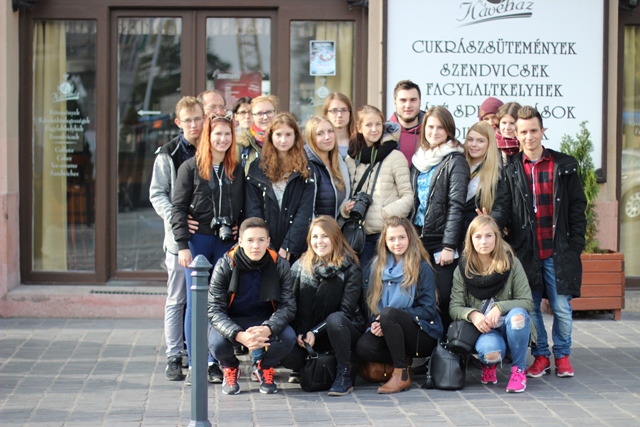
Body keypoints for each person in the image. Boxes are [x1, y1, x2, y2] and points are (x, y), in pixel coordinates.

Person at [504, 105, 587, 378]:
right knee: (532, 308)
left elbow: (577, 207)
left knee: (561, 307)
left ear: (543, 131)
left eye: (534, 130)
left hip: (557, 250)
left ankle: (562, 356)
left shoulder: (563, 165)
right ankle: (541, 356)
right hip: (526, 252)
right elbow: (504, 206)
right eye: (523, 132)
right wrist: (491, 221)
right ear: (517, 135)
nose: (529, 137)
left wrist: (575, 245)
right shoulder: (511, 169)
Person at [171, 114, 244, 385]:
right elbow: (178, 208)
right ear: (208, 136)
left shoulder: (236, 170)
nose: (222, 139)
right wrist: (182, 245)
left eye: (227, 134)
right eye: (217, 134)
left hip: (225, 243)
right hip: (198, 241)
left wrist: (240, 227)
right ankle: (196, 363)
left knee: (219, 303)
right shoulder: (190, 167)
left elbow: (245, 206)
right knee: (196, 304)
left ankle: (215, 361)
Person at [207, 217, 297, 395]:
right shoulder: (225, 264)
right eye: (250, 240)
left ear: (268, 241)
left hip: (265, 320)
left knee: (288, 337)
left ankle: (265, 366)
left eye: (261, 240)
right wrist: (238, 335)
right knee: (216, 344)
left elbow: (288, 306)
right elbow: (214, 309)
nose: (256, 246)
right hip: (233, 319)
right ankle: (230, 367)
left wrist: (268, 328)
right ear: (240, 242)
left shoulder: (280, 265)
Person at [149, 96, 203, 382]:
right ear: (178, 122)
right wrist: (177, 218)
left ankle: (205, 356)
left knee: (207, 299)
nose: (194, 125)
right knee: (177, 298)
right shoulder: (167, 154)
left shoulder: (213, 147)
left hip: (206, 237)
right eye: (188, 120)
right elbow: (157, 193)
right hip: (178, 241)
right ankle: (174, 355)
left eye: (198, 119)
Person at [356, 217, 442, 394]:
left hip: (420, 331)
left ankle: (401, 374)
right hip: (389, 328)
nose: (397, 243)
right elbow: (370, 304)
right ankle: (403, 360)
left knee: (389, 314)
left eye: (402, 237)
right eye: (392, 239)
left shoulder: (421, 267)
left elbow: (428, 309)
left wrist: (391, 318)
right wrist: (376, 322)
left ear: (410, 238)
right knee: (364, 347)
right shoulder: (375, 268)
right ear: (385, 242)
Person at [281, 216, 364, 396]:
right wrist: (300, 333)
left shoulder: (351, 268)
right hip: (309, 335)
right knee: (286, 352)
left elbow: (346, 312)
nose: (319, 241)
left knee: (336, 320)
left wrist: (315, 332)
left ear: (335, 238)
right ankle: (307, 367)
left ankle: (343, 374)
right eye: (315, 237)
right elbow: (290, 304)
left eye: (325, 236)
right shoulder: (300, 265)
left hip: (340, 331)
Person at [450, 215, 533, 393]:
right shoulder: (463, 268)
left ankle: (518, 370)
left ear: (496, 237)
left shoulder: (511, 263)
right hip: (486, 329)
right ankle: (489, 364)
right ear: (470, 240)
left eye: (489, 236)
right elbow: (454, 307)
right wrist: (473, 315)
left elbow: (527, 302)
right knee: (490, 353)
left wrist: (500, 307)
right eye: (478, 236)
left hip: (509, 324)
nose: (484, 241)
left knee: (518, 317)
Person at [411, 106, 470, 330]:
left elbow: (456, 206)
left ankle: (448, 343)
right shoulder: (419, 160)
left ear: (449, 131)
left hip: (441, 241)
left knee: (444, 296)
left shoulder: (456, 160)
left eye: (440, 128)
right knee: (421, 295)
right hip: (418, 238)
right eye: (430, 127)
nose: (434, 132)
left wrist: (448, 245)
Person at [340, 105, 413, 269]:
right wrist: (345, 209)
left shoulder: (395, 156)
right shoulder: (351, 159)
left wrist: (385, 214)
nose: (374, 129)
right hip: (358, 236)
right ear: (359, 128)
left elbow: (408, 197)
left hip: (387, 236)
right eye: (368, 125)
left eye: (378, 124)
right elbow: (346, 195)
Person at [245, 112, 314, 264]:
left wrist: (289, 245)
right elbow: (253, 210)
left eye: (288, 134)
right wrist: (265, 244)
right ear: (271, 136)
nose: (283, 140)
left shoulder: (306, 168)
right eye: (278, 134)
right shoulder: (257, 167)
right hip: (262, 246)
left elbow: (304, 212)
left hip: (294, 247)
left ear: (296, 136)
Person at [463, 121, 510, 235]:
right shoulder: (456, 164)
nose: (474, 144)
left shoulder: (499, 173)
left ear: (490, 144)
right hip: (454, 234)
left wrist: (490, 222)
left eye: (480, 141)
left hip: (481, 236)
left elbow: (501, 208)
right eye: (470, 139)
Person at [304, 115, 350, 218]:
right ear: (311, 137)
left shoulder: (340, 162)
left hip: (335, 227)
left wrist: (345, 210)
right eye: (320, 133)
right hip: (315, 227)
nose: (327, 137)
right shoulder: (307, 165)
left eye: (330, 131)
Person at [236, 95, 279, 174]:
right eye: (259, 113)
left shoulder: (286, 141)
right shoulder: (241, 143)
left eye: (269, 112)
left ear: (276, 113)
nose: (265, 117)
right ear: (252, 116)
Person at [389, 80, 425, 166]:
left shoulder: (432, 133)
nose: (408, 105)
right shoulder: (384, 133)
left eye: (413, 100)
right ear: (395, 103)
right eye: (403, 100)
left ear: (420, 102)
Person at [322, 92, 355, 159]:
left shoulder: (360, 142)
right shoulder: (320, 142)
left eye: (344, 110)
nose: (339, 115)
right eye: (334, 110)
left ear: (350, 113)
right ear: (326, 114)